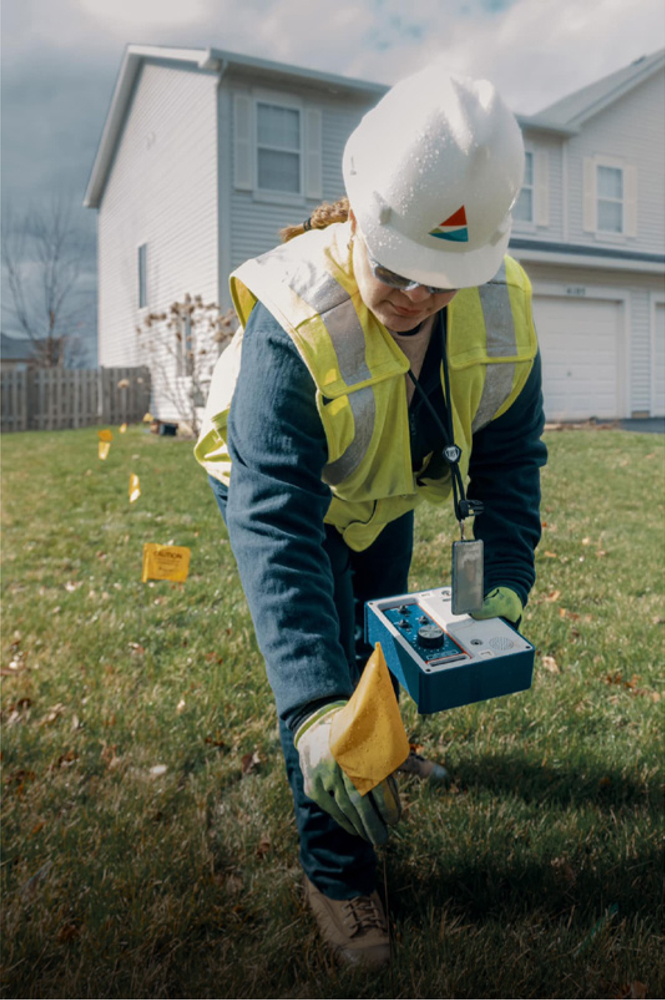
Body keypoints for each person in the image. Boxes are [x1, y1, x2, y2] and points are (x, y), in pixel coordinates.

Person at [195, 61, 547, 969]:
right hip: (280, 490)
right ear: (359, 216)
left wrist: (504, 581)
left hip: (380, 485)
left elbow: (510, 461)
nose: (418, 300)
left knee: (379, 637)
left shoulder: (501, 305)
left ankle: (384, 747)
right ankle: (338, 876)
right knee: (328, 673)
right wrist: (314, 707)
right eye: (398, 272)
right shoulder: (293, 326)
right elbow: (276, 521)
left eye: (444, 279)